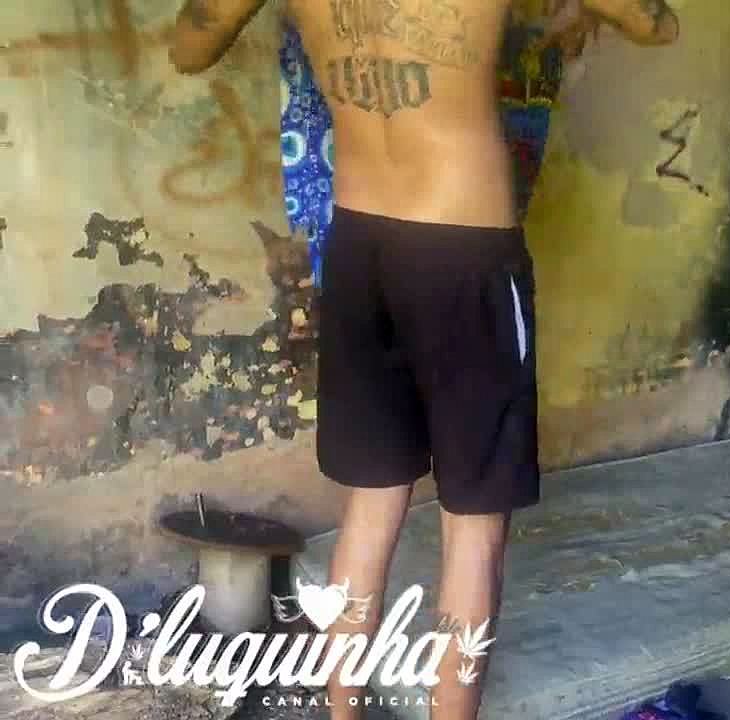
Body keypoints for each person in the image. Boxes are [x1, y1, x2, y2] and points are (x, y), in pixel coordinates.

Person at [168, 1, 679, 719]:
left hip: (359, 242)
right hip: (464, 247)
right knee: (474, 528)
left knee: (372, 504)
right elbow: (656, 23)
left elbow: (189, 48)